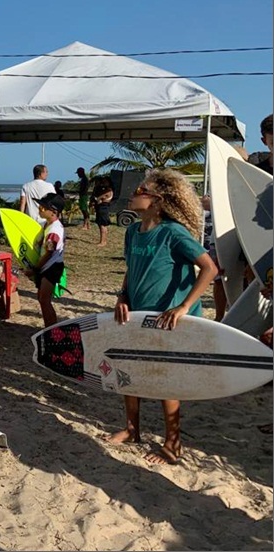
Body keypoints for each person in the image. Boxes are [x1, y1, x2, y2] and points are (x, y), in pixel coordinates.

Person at [106, 168, 217, 465]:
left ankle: (172, 444)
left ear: (157, 200)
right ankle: (132, 430)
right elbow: (131, 269)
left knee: (165, 379)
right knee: (129, 369)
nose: (133, 194)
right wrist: (122, 297)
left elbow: (210, 268)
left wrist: (184, 306)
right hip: (137, 315)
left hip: (169, 320)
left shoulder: (172, 232)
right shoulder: (132, 231)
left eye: (140, 190)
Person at [26, 193, 67, 327]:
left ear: (53, 212)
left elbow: (49, 253)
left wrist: (35, 269)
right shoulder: (48, 225)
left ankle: (52, 330)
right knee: (42, 299)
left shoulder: (54, 231)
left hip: (51, 268)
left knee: (44, 300)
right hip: (47, 266)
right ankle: (49, 328)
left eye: (43, 207)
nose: (40, 208)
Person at [200, 194, 227, 321]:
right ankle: (219, 317)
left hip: (242, 237)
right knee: (219, 279)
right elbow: (206, 203)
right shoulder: (219, 189)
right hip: (218, 239)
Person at [93, 180, 114, 247]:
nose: (103, 183)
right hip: (102, 207)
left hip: (103, 208)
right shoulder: (105, 190)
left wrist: (99, 199)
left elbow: (99, 198)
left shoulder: (108, 190)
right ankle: (103, 241)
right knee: (101, 225)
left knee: (103, 225)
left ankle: (103, 242)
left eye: (105, 182)